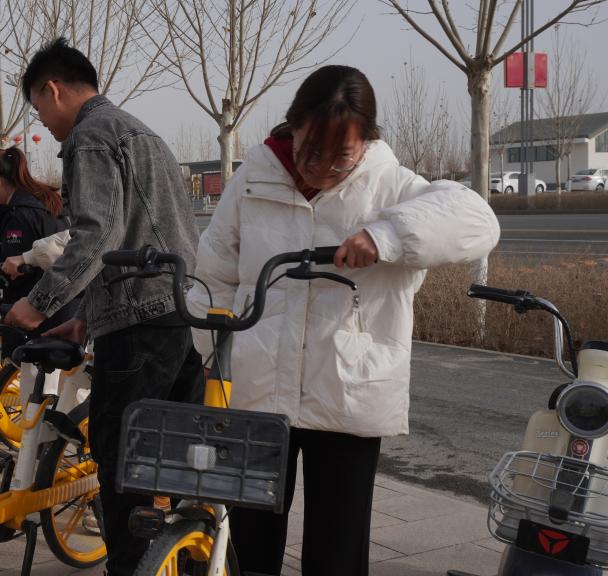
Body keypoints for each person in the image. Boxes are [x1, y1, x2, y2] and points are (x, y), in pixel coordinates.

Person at [187, 65, 501, 576]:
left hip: (347, 389)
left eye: (342, 157)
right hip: (256, 385)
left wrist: (385, 235)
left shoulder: (390, 185)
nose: (324, 169)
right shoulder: (254, 176)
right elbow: (215, 273)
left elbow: (478, 222)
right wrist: (212, 352)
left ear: (367, 141)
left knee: (337, 550)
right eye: (312, 152)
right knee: (249, 542)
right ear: (294, 125)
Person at [3, 37, 205, 576]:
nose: (43, 121)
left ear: (52, 90)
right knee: (178, 461)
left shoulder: (91, 136)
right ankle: (186, 559)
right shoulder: (144, 133)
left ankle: (133, 567)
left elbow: (96, 235)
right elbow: (148, 237)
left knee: (122, 461)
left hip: (138, 324)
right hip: (177, 316)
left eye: (38, 108)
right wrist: (84, 319)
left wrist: (39, 304)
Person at [0, 146, 70, 359]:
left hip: (38, 312)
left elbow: (16, 271)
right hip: (63, 305)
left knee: (29, 372)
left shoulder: (19, 216)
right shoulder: (43, 198)